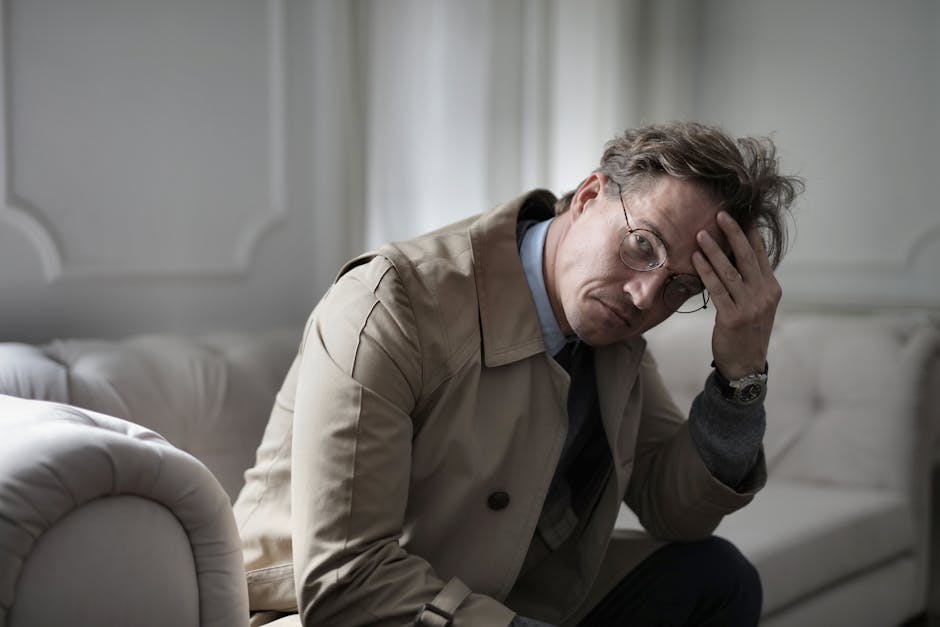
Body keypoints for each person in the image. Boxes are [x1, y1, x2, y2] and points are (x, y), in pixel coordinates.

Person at [233, 121, 803, 626]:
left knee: (714, 578)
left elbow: (675, 509)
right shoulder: (391, 303)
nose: (644, 294)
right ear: (588, 196)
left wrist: (739, 375)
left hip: (499, 594)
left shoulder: (609, 333)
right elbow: (346, 579)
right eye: (642, 244)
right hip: (315, 609)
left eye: (682, 286)